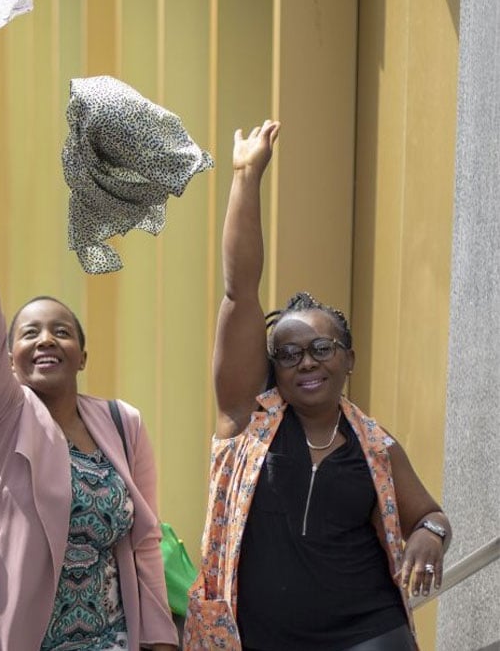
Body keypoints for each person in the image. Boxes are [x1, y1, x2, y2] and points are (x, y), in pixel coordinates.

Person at [0, 106, 178, 651]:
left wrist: (160, 639)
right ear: (8, 358)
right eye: (29, 333)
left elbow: (145, 540)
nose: (46, 340)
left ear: (83, 355)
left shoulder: (122, 423)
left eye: (61, 331)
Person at [184, 121, 451, 650]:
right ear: (273, 366)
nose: (305, 362)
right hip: (261, 637)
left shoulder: (375, 446)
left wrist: (431, 535)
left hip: (366, 632)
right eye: (288, 353)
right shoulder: (245, 419)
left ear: (348, 359)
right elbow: (240, 290)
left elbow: (430, 515)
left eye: (321, 349)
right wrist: (246, 175)